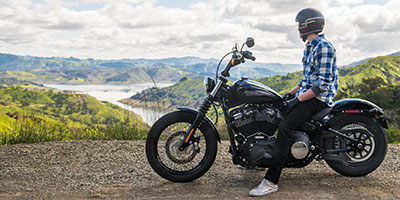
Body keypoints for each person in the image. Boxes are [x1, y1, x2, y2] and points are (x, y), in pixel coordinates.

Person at [249, 8, 339, 197]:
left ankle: (271, 181)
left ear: (308, 25)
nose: (298, 29)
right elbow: (306, 80)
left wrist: (297, 100)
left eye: (300, 25)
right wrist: (289, 94)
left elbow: (321, 85)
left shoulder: (323, 47)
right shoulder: (310, 46)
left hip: (318, 99)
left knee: (285, 127)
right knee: (276, 112)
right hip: (308, 95)